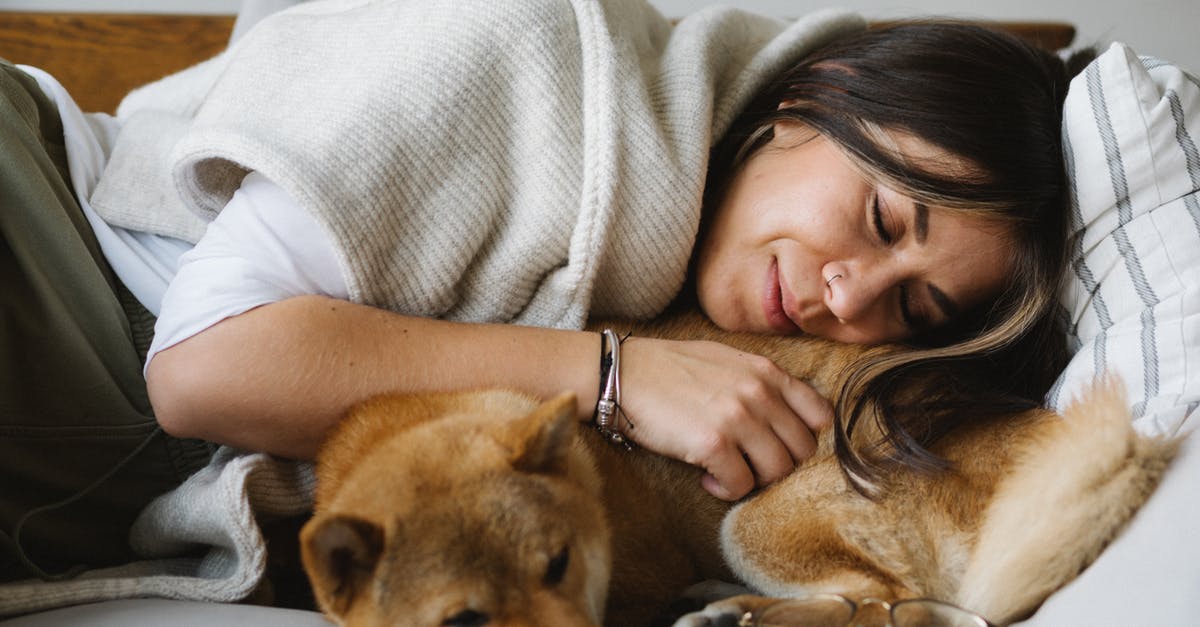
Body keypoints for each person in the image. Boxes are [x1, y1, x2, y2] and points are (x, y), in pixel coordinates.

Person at [0, 0, 1085, 585]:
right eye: (887, 221)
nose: (848, 301)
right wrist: (613, 374)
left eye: (910, 311)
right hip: (56, 246)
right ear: (818, 98)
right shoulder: (521, 52)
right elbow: (205, 369)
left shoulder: (697, 275)